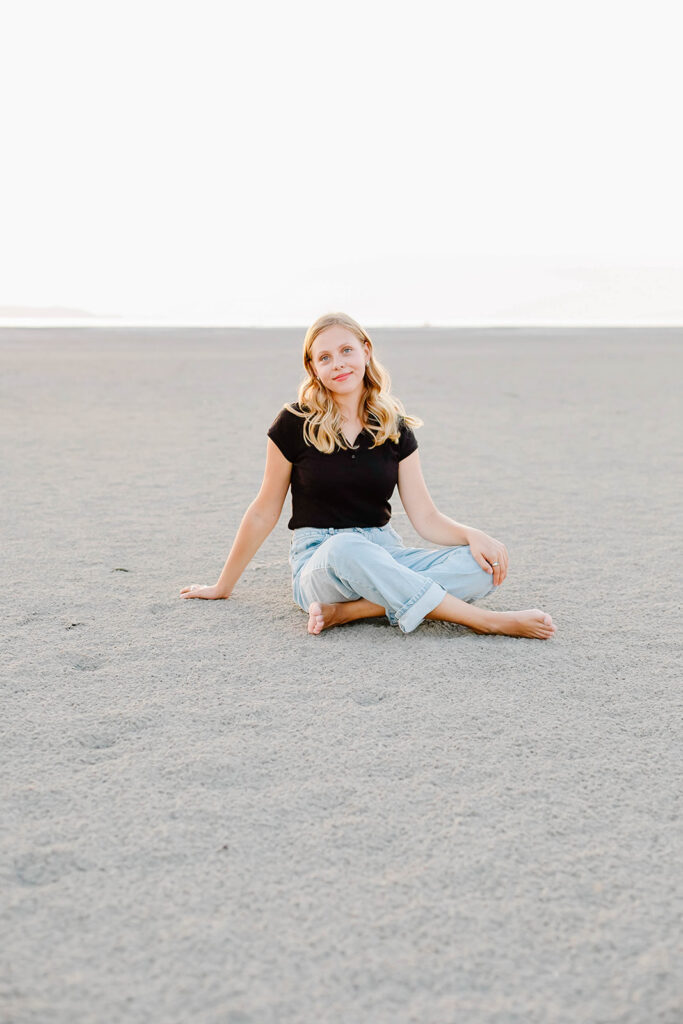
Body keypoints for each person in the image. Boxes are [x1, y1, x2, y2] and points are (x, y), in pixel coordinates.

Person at [180, 313, 556, 640]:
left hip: (383, 553)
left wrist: (472, 535)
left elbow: (425, 518)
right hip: (320, 563)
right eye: (324, 358)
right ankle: (486, 622)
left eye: (346, 351)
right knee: (346, 549)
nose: (338, 364)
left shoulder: (395, 428)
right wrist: (223, 586)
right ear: (313, 369)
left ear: (366, 350)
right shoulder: (294, 423)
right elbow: (264, 510)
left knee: (481, 568)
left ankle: (352, 611)